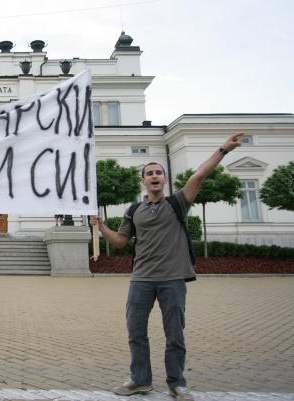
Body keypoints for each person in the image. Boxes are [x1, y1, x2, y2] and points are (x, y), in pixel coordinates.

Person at [90, 133, 243, 401]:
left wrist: (223, 150)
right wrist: (100, 226)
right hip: (140, 280)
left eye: (158, 172)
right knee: (136, 332)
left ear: (165, 178)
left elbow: (198, 176)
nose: (154, 176)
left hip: (172, 279)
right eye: (149, 173)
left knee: (174, 334)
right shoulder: (133, 210)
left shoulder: (178, 203)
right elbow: (120, 242)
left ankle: (177, 383)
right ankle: (140, 380)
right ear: (144, 181)